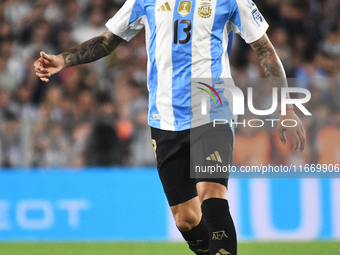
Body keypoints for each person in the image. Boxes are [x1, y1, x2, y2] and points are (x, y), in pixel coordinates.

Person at [34, 0, 306, 254]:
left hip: (213, 109)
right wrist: (64, 60)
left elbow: (264, 48)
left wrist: (286, 107)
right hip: (164, 119)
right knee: (186, 219)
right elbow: (107, 41)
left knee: (211, 193)